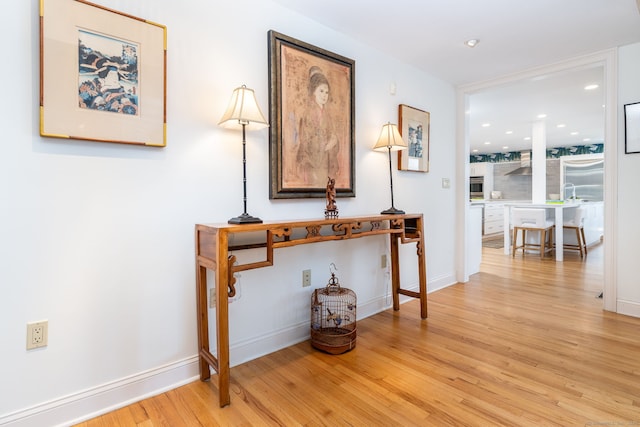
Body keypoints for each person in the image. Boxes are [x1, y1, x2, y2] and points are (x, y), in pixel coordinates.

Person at [295, 66, 340, 187]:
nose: (324, 95)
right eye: (321, 91)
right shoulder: (308, 115)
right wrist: (326, 145)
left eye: (326, 92)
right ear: (313, 91)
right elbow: (306, 143)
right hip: (312, 164)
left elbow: (334, 138)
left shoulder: (327, 116)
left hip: (325, 163)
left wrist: (334, 142)